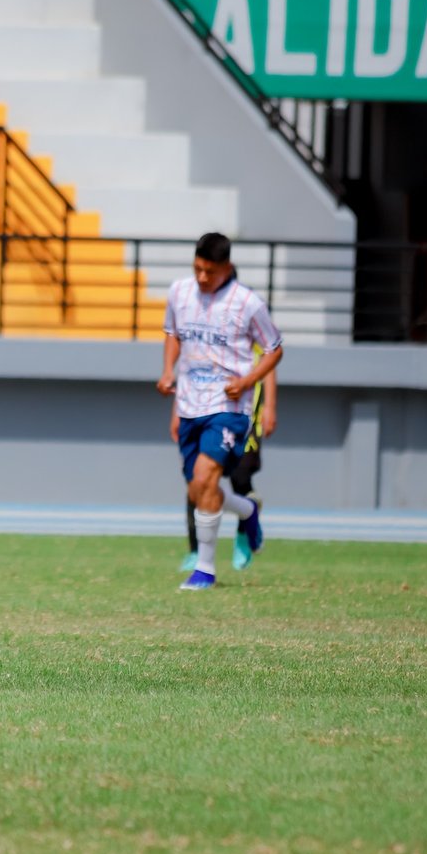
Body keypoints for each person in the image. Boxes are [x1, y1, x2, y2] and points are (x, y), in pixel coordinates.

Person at [157, 233, 283, 591]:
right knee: (199, 487)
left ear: (226, 268)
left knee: (206, 476)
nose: (201, 277)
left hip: (229, 407)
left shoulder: (248, 303)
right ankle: (246, 510)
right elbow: (172, 333)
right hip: (189, 405)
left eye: (209, 272)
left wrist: (247, 383)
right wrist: (168, 371)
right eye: (197, 269)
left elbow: (274, 349)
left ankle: (205, 570)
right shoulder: (179, 292)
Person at [175, 348, 276, 573]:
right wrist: (177, 411)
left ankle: (243, 534)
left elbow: (271, 360)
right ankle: (195, 551)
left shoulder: (249, 322)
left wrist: (269, 407)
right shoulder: (201, 326)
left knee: (240, 479)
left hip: (243, 417)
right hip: (202, 414)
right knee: (197, 482)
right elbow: (188, 367)